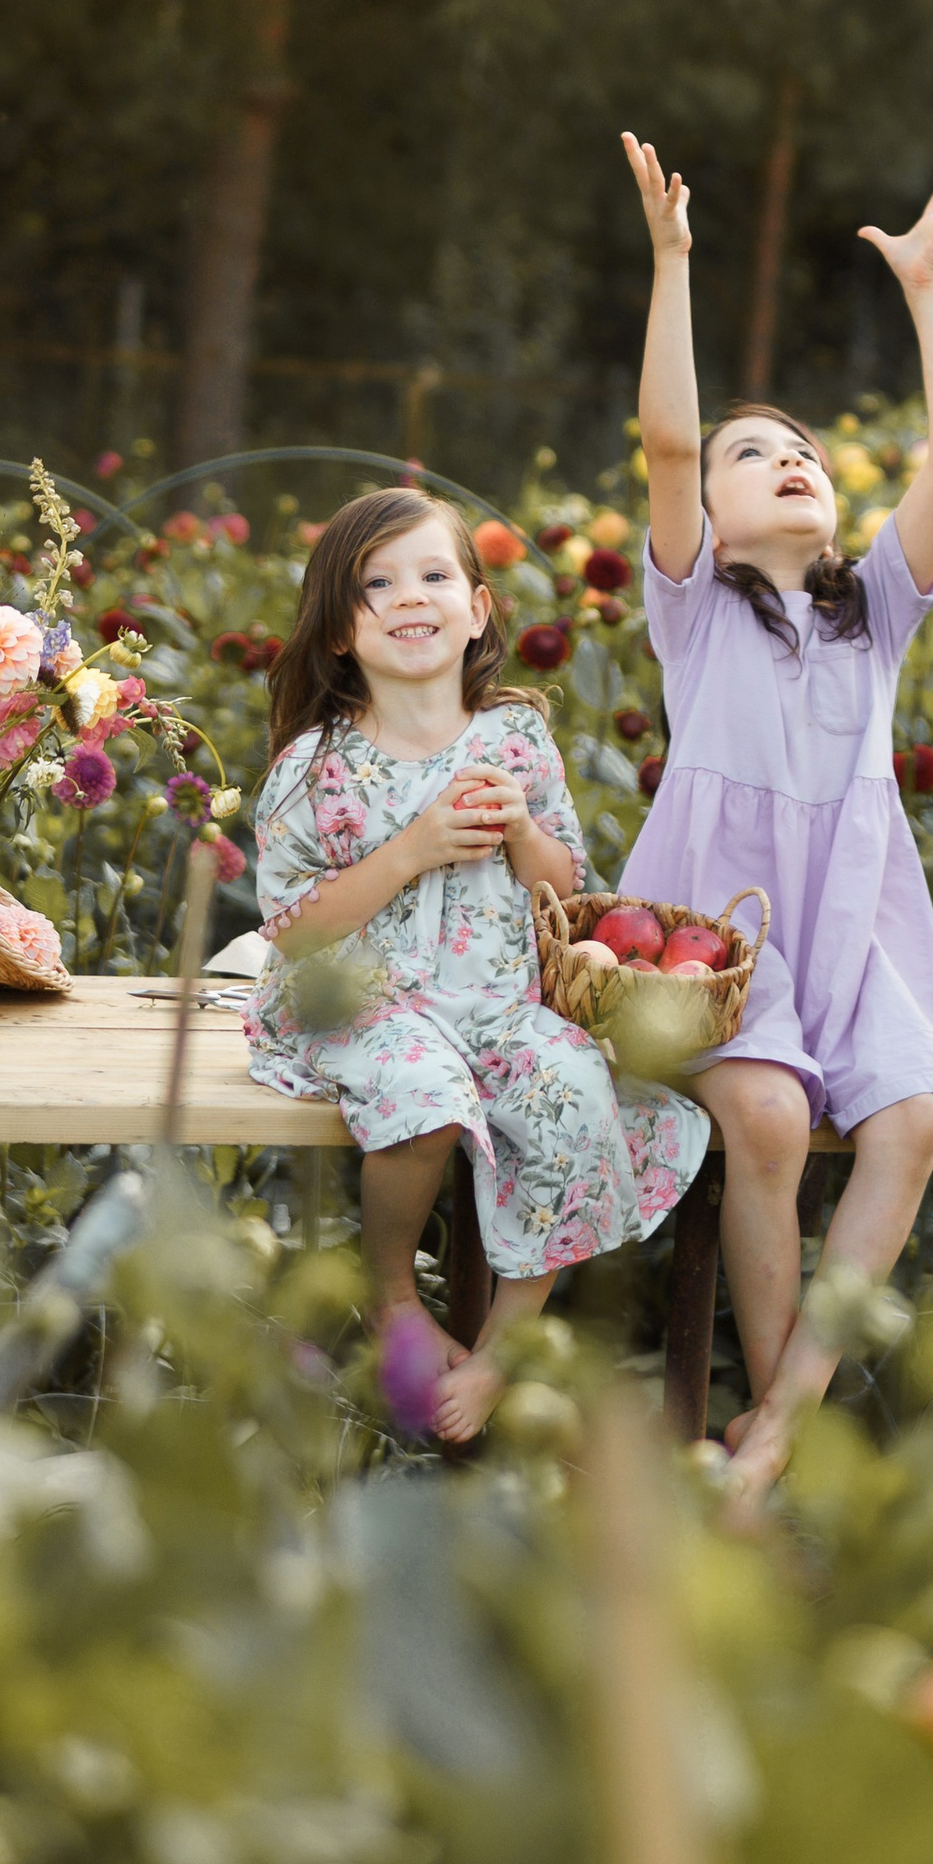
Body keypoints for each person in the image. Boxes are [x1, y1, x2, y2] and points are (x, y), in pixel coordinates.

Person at [616, 132, 933, 1499]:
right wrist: (672, 262)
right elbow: (669, 432)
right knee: (772, 1125)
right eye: (753, 454)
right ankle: (771, 1469)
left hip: (855, 930)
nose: (786, 460)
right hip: (721, 942)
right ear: (709, 521)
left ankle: (776, 1425)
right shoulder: (694, 608)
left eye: (801, 451)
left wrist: (925, 289)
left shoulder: (875, 612)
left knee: (907, 1123)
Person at [246, 485, 708, 1443]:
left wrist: (523, 830)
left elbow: (566, 886)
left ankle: (506, 1343)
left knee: (575, 1085)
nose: (410, 594)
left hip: (498, 1000)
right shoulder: (316, 763)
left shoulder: (516, 737)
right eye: (377, 582)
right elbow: (292, 926)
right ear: (338, 628)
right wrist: (410, 849)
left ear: (477, 606)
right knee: (424, 1095)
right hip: (365, 1003)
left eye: (433, 574)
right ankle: (392, 1295)